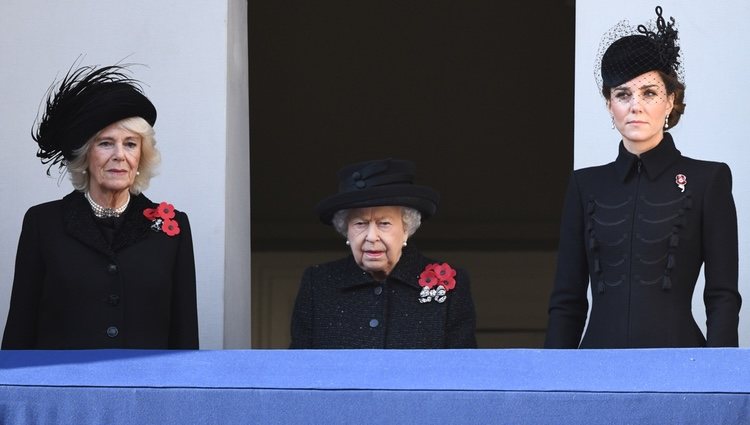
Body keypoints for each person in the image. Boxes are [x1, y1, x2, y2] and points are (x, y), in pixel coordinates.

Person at [545, 6, 741, 348]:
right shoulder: (584, 186)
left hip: (681, 366)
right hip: (596, 369)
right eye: (622, 94)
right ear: (609, 105)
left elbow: (722, 296)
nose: (635, 105)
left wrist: (718, 378)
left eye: (649, 92)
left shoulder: (708, 180)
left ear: (670, 100)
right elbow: (567, 302)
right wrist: (550, 387)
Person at [2, 63, 199, 349]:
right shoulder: (43, 224)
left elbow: (184, 338)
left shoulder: (172, 228)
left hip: (144, 391)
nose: (120, 156)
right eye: (106, 143)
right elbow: (19, 332)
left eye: (130, 144)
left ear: (141, 155)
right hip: (62, 391)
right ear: (85, 155)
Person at [290, 158, 477, 348]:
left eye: (384, 223)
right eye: (360, 224)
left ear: (406, 228)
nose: (371, 237)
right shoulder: (318, 283)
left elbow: (464, 370)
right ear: (346, 230)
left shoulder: (452, 286)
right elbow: (297, 369)